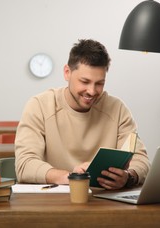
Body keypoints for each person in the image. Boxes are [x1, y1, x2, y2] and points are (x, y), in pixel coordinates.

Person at [15, 39, 150, 190]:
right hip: (54, 201)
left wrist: (128, 176)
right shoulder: (39, 106)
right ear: (67, 73)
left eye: (99, 83)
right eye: (84, 81)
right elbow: (25, 165)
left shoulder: (117, 109)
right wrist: (72, 177)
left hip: (105, 203)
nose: (92, 91)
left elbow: (141, 160)